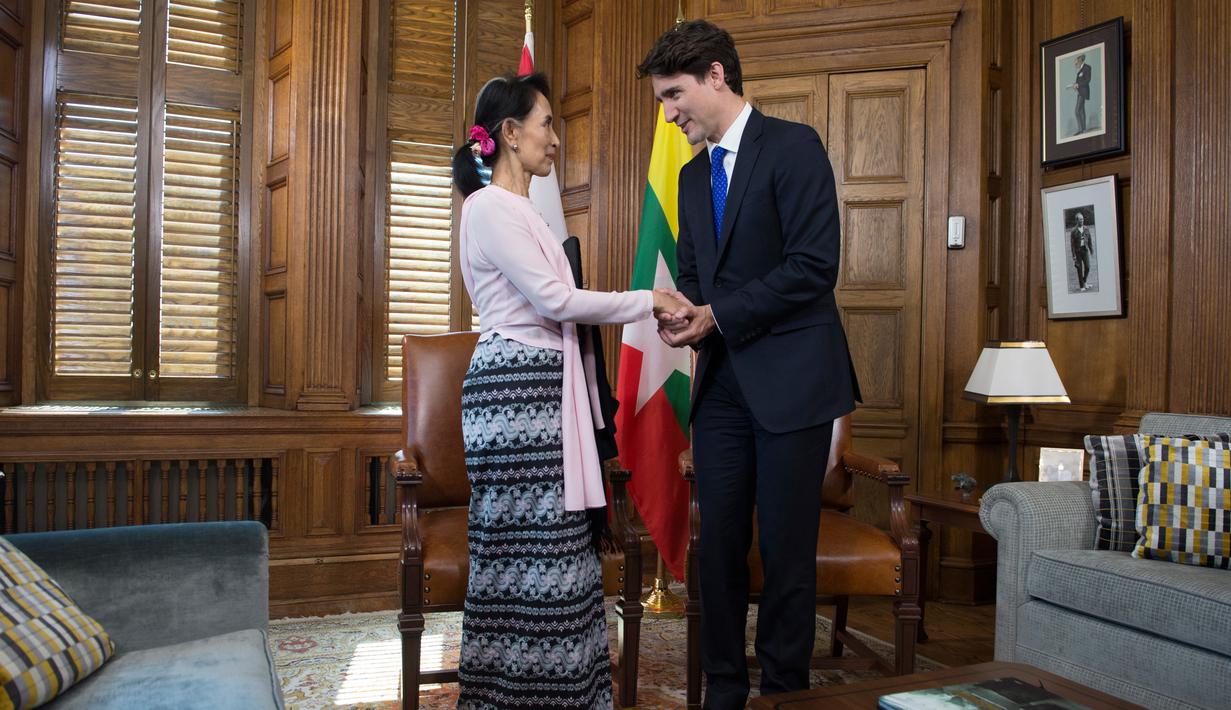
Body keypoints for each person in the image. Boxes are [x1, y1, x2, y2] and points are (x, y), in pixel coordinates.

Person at [636, 20, 861, 709]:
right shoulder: (685, 173)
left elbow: (813, 267)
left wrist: (718, 314)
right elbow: (700, 274)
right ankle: (724, 693)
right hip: (725, 386)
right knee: (719, 550)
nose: (669, 114)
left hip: (795, 384)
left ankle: (785, 693)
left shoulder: (794, 147)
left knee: (788, 556)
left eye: (674, 95)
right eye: (661, 102)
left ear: (714, 75)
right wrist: (685, 315)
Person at [450, 72, 685, 710]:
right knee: (527, 553)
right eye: (547, 123)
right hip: (516, 397)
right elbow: (554, 300)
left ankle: (564, 693)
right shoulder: (489, 208)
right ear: (510, 133)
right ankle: (517, 696)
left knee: (558, 552)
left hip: (543, 390)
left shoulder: (518, 209)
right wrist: (650, 298)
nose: (556, 138)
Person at [1070, 211, 1093, 291]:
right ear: (1077, 221)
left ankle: (1084, 281)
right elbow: (1072, 245)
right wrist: (1073, 255)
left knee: (1088, 267)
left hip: (1085, 250)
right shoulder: (1073, 231)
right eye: (1080, 219)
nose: (1082, 221)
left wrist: (1091, 250)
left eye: (1082, 219)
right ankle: (1082, 286)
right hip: (1078, 252)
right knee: (1079, 269)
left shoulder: (1086, 228)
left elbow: (1089, 240)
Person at [1068, 54, 1091, 134]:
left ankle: (1080, 129)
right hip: (1080, 92)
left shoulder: (1087, 68)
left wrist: (1078, 85)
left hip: (1083, 92)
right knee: (1081, 110)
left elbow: (1087, 80)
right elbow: (1081, 80)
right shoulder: (1081, 70)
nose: (1075, 65)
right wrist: (1075, 84)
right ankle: (1083, 129)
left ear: (1081, 61)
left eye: (1076, 63)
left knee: (1077, 111)